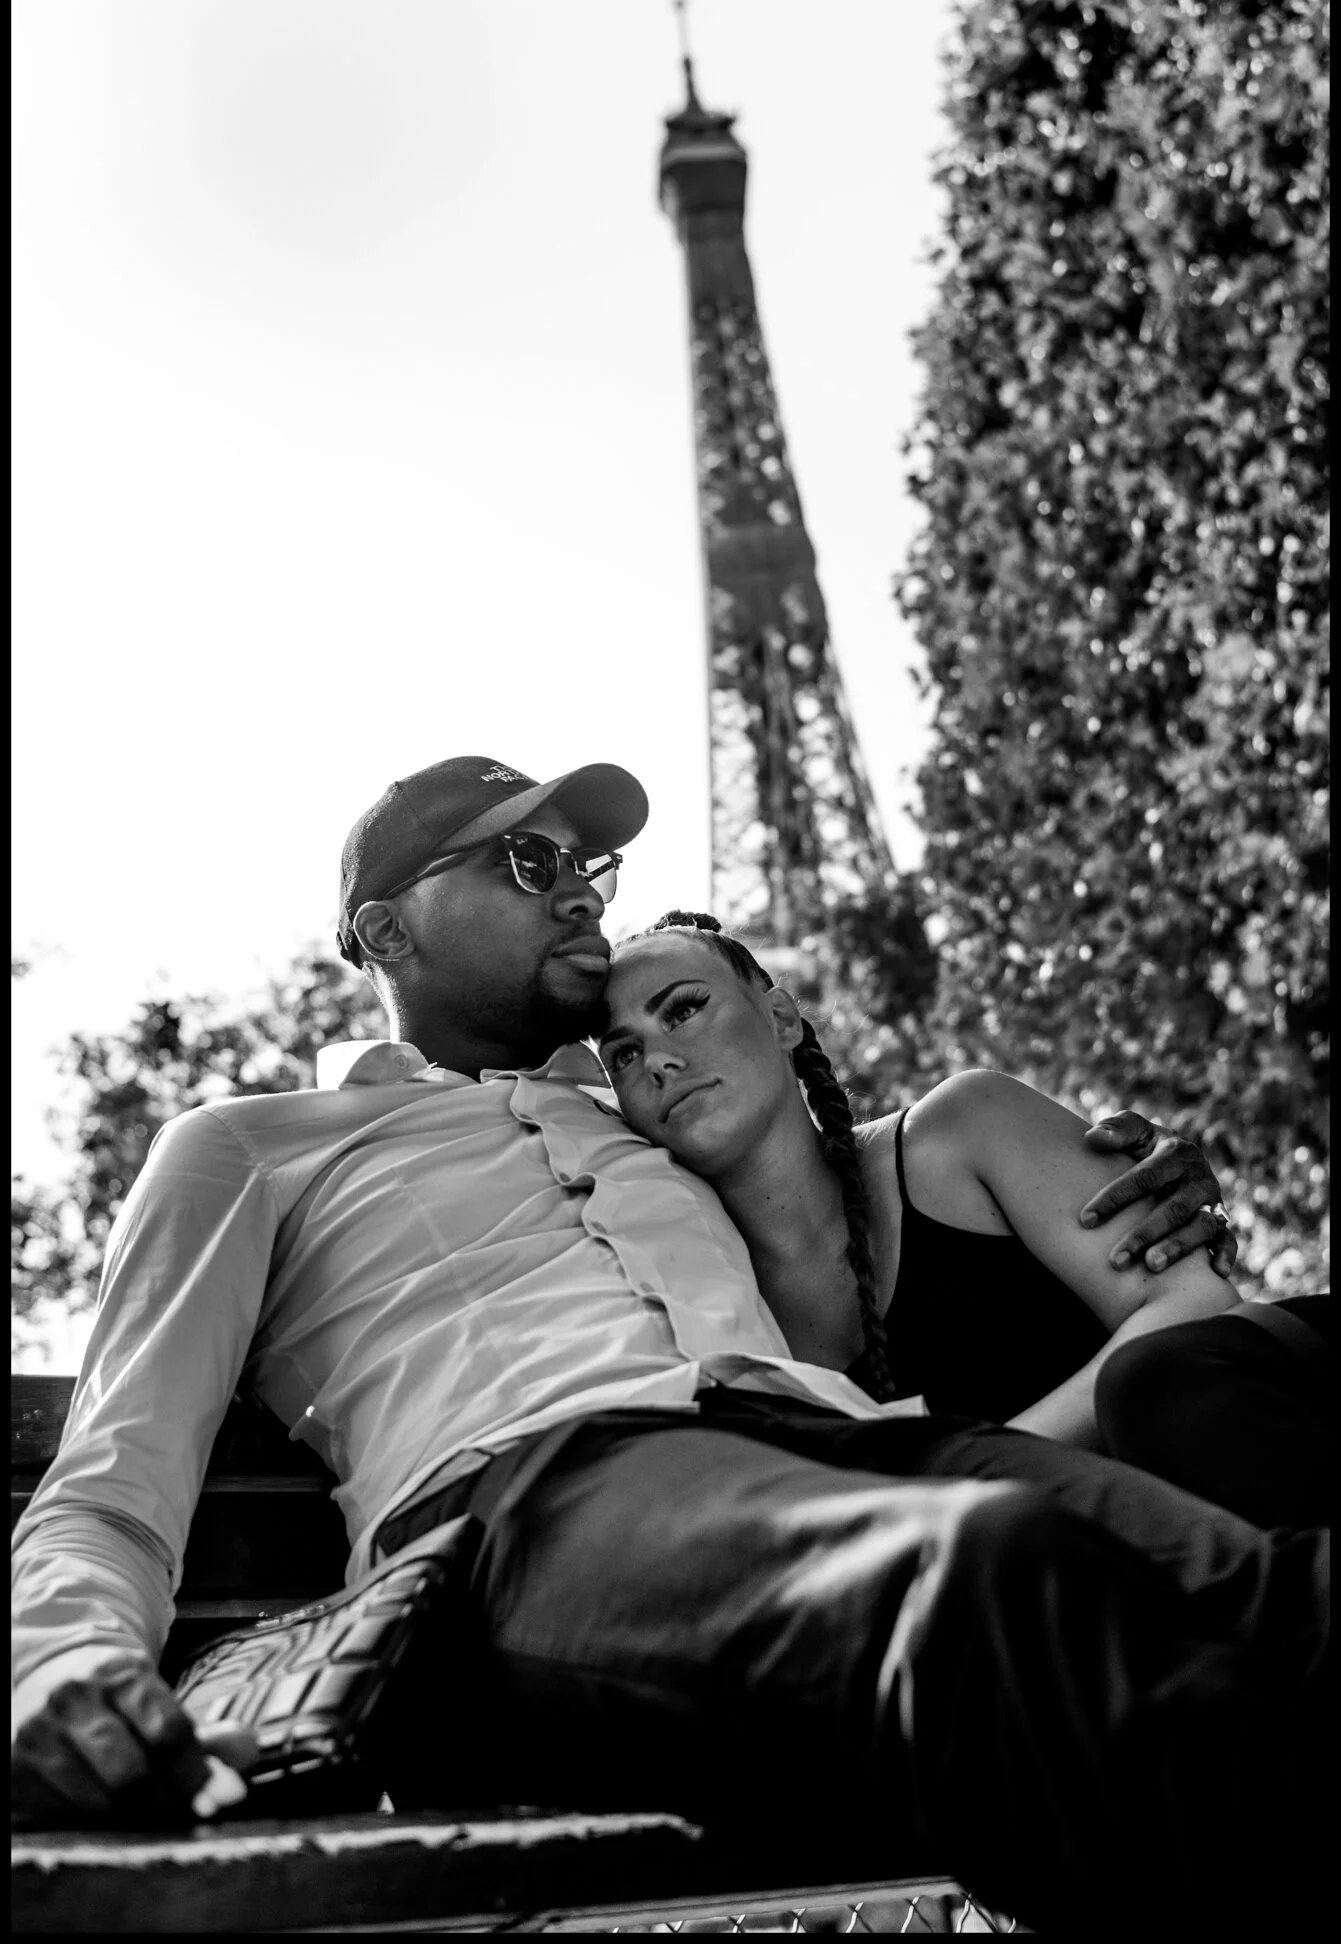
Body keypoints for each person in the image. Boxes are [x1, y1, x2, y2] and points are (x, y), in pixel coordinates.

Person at [11, 755, 1327, 1934]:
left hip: (850, 1454)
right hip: (533, 1522)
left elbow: (846, 1170)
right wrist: (63, 1660)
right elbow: (111, 1479)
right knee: (994, 1575)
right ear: (382, 927)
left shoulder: (648, 1118)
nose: (578, 891)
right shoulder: (248, 1146)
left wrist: (1123, 1162)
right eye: (526, 860)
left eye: (584, 863)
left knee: (1286, 1602)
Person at [599, 913, 1329, 1525]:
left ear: (782, 1017)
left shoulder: (957, 1129)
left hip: (1259, 1459)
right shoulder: (707, 1321)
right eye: (623, 1052)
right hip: (1101, 1596)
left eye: (683, 1008)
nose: (656, 1059)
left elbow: (1192, 1305)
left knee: (1155, 1383)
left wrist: (961, 1485)